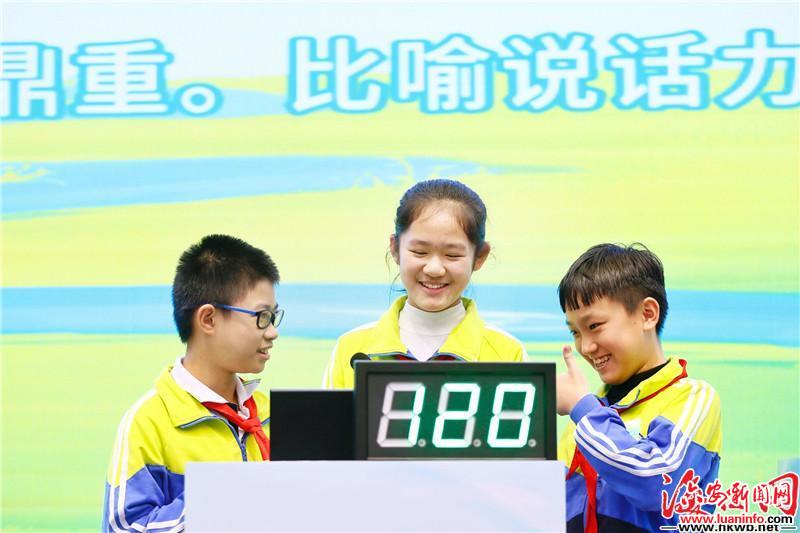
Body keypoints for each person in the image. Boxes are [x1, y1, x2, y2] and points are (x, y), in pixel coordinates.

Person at [103, 234, 282, 532]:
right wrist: (229, 496)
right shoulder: (149, 421)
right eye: (262, 317)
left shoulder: (269, 414)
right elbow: (125, 528)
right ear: (208, 319)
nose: (272, 332)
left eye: (274, 317)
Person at [556, 243, 722, 533]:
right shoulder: (585, 420)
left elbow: (657, 484)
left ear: (647, 314)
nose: (586, 346)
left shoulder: (694, 397)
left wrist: (581, 408)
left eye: (594, 326)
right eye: (575, 332)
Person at [323, 178, 527, 389]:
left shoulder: (507, 353)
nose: (434, 269)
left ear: (480, 256)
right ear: (395, 248)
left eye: (452, 255)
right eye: (419, 252)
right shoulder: (350, 348)